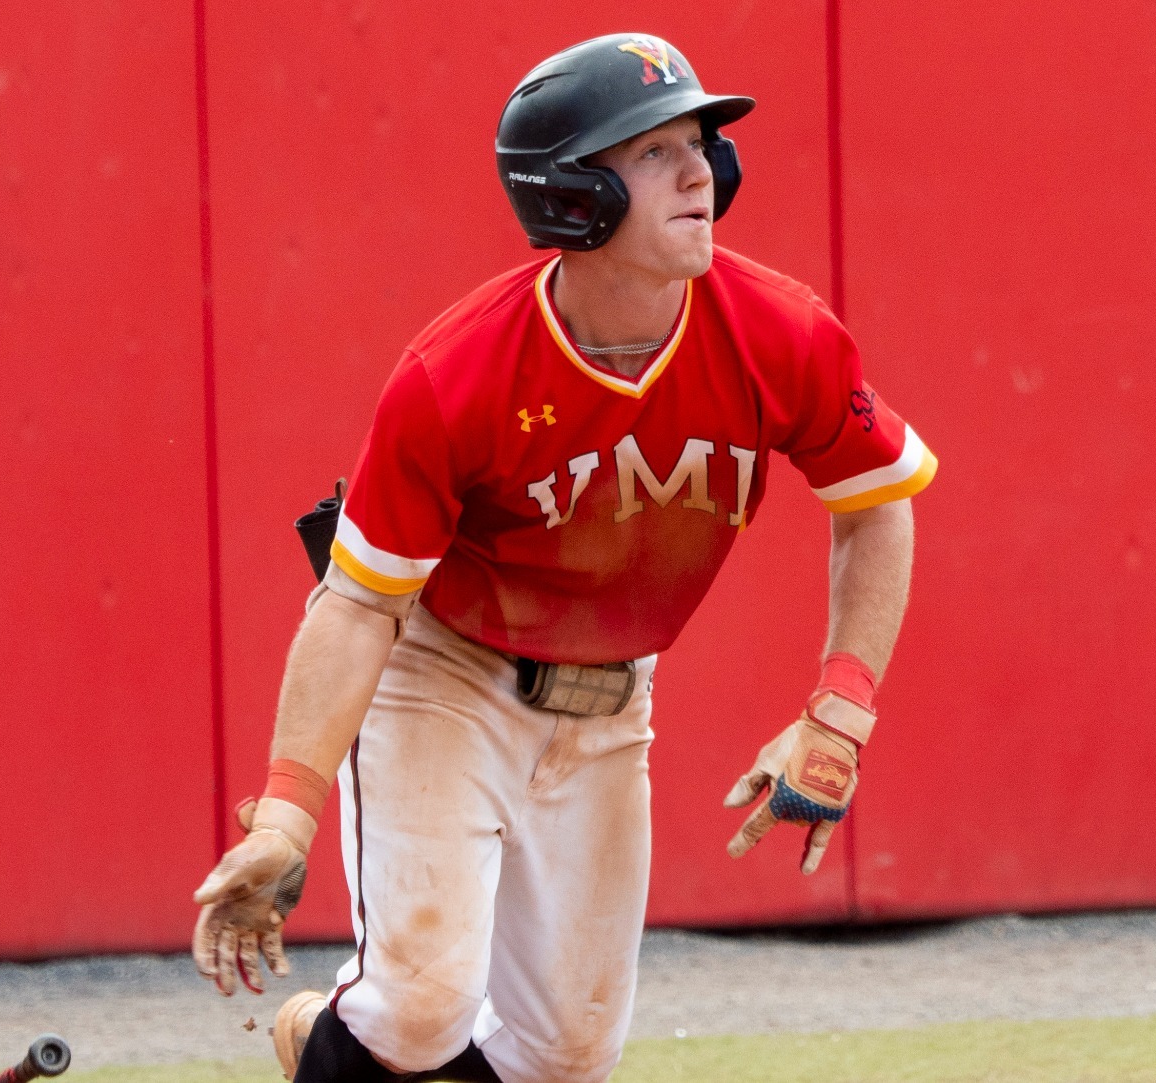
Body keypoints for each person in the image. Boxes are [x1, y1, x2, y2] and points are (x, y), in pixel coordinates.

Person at [189, 32, 935, 1083]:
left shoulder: (781, 334)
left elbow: (876, 506)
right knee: (418, 1011)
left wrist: (840, 712)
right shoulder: (457, 373)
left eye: (700, 145)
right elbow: (354, 607)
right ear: (571, 197)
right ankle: (330, 1039)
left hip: (609, 705)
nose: (697, 171)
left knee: (567, 1057)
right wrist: (282, 814)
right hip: (443, 681)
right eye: (650, 150)